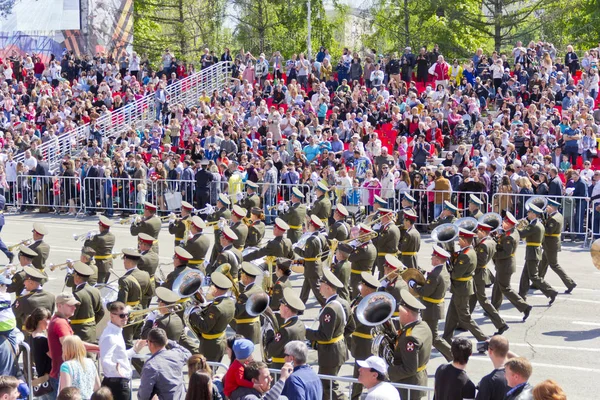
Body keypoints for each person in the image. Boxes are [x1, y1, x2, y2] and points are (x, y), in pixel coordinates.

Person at [48, 293, 99, 400]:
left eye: (74, 305)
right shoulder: (60, 322)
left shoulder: (59, 320)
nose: (74, 307)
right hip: (63, 373)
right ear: (59, 306)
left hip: (63, 372)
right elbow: (71, 344)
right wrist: (99, 348)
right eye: (70, 305)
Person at [98, 301, 145, 400]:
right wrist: (118, 369)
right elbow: (105, 360)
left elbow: (121, 356)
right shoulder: (110, 336)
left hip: (119, 382)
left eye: (127, 315)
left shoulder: (117, 331)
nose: (126, 318)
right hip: (116, 383)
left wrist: (134, 350)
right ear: (112, 316)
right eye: (122, 316)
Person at [138, 328, 192, 400]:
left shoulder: (151, 365)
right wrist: (169, 342)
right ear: (165, 341)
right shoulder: (176, 354)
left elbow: (144, 395)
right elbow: (188, 354)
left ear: (150, 343)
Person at [476, 335, 515, 400]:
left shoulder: (488, 381)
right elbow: (522, 361)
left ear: (490, 351)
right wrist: (502, 347)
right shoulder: (518, 372)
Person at [24, 307, 52, 394]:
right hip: (47, 378)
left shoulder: (32, 336)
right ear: (41, 320)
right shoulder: (42, 339)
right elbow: (52, 355)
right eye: (47, 319)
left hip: (41, 377)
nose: (50, 321)